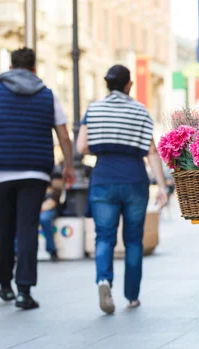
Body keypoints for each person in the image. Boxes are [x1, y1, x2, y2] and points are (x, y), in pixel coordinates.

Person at [0, 47, 75, 310]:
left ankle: (3, 284)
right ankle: (24, 291)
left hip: (0, 171)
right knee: (27, 227)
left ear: (10, 66)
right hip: (35, 171)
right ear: (35, 69)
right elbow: (63, 135)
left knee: (4, 228)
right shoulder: (48, 95)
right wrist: (69, 167)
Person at [77, 64, 168, 314]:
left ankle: (104, 280)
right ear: (129, 85)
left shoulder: (94, 110)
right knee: (133, 240)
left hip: (103, 177)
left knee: (104, 236)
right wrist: (161, 186)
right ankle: (132, 295)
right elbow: (151, 151)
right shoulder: (140, 111)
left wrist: (102, 146)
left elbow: (81, 146)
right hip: (134, 180)